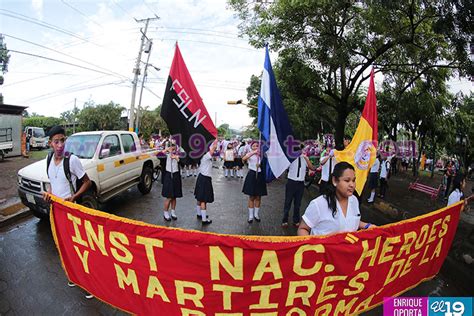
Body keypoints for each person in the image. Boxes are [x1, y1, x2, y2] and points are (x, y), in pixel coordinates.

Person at [42, 125, 93, 299]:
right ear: (50, 143)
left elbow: (87, 182)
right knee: (64, 245)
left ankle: (89, 284)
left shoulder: (72, 160)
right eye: (56, 141)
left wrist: (74, 196)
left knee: (80, 247)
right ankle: (74, 276)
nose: (60, 145)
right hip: (56, 210)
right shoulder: (48, 159)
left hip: (72, 211)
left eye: (63, 140)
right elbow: (52, 183)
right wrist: (49, 194)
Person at [297, 162, 375, 236]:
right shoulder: (319, 204)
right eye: (347, 180)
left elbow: (351, 221)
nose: (352, 185)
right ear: (334, 181)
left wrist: (368, 226)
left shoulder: (354, 200)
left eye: (353, 180)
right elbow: (303, 229)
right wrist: (312, 248)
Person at [282, 147, 316, 227]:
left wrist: (306, 158)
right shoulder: (291, 159)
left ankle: (296, 220)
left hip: (300, 183)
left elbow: (312, 168)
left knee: (298, 204)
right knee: (288, 202)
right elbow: (284, 166)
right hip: (291, 182)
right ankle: (285, 219)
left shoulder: (304, 159)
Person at [194, 140, 218, 225]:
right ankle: (204, 220)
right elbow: (212, 151)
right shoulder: (205, 156)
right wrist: (215, 142)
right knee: (203, 199)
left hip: (201, 177)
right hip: (205, 179)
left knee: (199, 198)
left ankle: (199, 214)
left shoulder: (202, 156)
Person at [242, 141, 267, 223]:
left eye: (257, 146)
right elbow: (243, 159)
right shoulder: (250, 154)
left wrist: (260, 164)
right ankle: (250, 216)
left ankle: (256, 214)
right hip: (252, 175)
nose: (256, 147)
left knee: (258, 197)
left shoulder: (262, 155)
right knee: (251, 196)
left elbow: (266, 164)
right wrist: (253, 153)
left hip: (260, 176)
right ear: (251, 147)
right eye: (254, 146)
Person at [161, 143, 182, 221]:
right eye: (172, 147)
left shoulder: (178, 154)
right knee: (169, 197)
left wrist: (177, 158)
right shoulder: (166, 154)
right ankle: (165, 212)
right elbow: (158, 155)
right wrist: (166, 150)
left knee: (174, 196)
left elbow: (183, 163)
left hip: (176, 175)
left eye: (174, 148)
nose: (173, 149)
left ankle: (173, 212)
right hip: (169, 175)